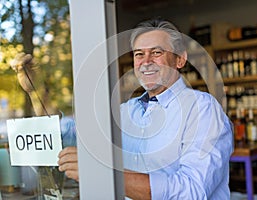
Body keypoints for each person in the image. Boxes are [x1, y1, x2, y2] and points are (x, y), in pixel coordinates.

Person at [13, 18, 233, 199]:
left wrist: (101, 173)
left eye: (156, 52)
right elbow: (66, 132)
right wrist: (36, 92)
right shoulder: (127, 111)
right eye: (139, 54)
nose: (146, 62)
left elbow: (191, 192)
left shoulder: (202, 109)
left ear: (180, 59)